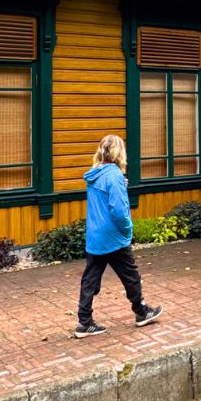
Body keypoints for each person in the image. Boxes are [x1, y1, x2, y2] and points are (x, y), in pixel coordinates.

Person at [75, 134, 163, 338]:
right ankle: (142, 312)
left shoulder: (95, 173)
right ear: (119, 152)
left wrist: (120, 184)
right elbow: (119, 211)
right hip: (113, 236)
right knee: (130, 275)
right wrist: (128, 229)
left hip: (96, 235)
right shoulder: (113, 175)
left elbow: (104, 196)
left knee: (90, 279)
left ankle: (84, 322)